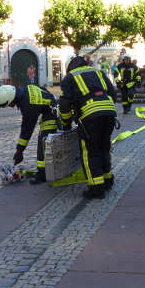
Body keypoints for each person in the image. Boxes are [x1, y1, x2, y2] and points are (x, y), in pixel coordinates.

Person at [58, 55, 118, 199]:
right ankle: (107, 179)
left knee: (90, 151)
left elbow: (65, 104)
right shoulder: (98, 72)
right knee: (104, 146)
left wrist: (65, 123)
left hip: (90, 117)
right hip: (109, 113)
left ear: (69, 67)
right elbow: (113, 93)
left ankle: (96, 188)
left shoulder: (69, 78)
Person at [0, 84, 57, 184]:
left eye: (8, 105)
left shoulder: (28, 104)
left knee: (43, 142)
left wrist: (19, 151)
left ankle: (42, 175)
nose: (10, 107)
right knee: (43, 139)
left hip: (51, 114)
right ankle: (46, 170)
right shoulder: (25, 88)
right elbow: (42, 89)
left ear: (11, 99)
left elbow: (27, 130)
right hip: (50, 109)